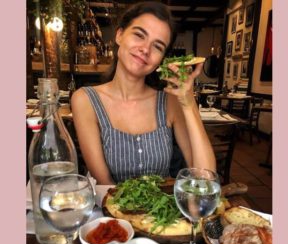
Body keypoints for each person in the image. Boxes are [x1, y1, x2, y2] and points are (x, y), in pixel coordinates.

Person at [71, 1, 216, 184]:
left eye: (157, 46)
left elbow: (206, 178)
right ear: (119, 35)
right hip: (111, 209)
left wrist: (188, 101)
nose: (145, 49)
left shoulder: (169, 101)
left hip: (162, 211)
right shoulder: (85, 100)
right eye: (139, 35)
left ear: (161, 59)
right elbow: (105, 183)